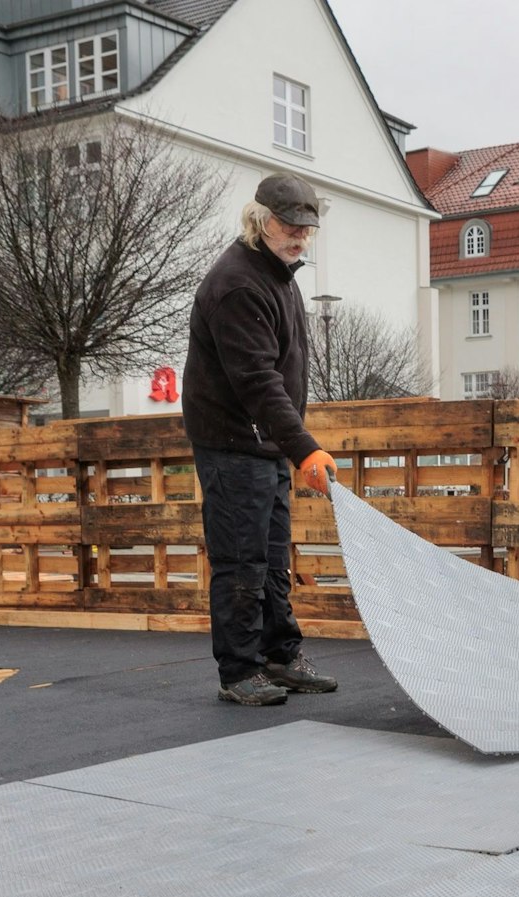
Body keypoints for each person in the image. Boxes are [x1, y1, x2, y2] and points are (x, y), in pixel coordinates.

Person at [181, 172, 341, 706]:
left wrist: (289, 445)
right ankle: (240, 670)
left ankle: (279, 656)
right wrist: (304, 447)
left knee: (273, 559)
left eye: (306, 228)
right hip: (232, 445)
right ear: (260, 220)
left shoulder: (278, 276)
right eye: (289, 224)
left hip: (262, 445)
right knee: (241, 561)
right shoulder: (239, 283)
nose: (299, 236)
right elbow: (257, 381)